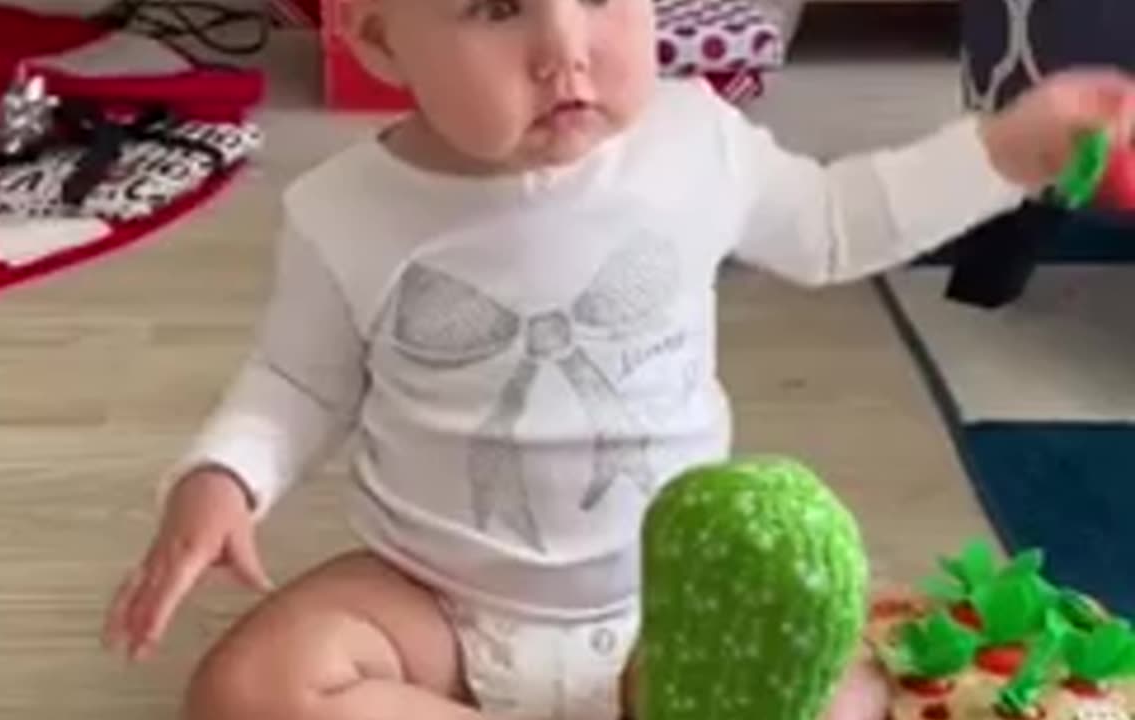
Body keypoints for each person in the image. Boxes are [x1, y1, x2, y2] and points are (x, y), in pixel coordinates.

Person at [102, 1, 1135, 719]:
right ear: (376, 39)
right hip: (434, 602)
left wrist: (1003, 152)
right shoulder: (341, 212)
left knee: (843, 689)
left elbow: (834, 224)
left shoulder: (695, 142)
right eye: (495, 7)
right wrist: (223, 475)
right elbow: (294, 382)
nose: (565, 48)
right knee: (248, 690)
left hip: (670, 600)